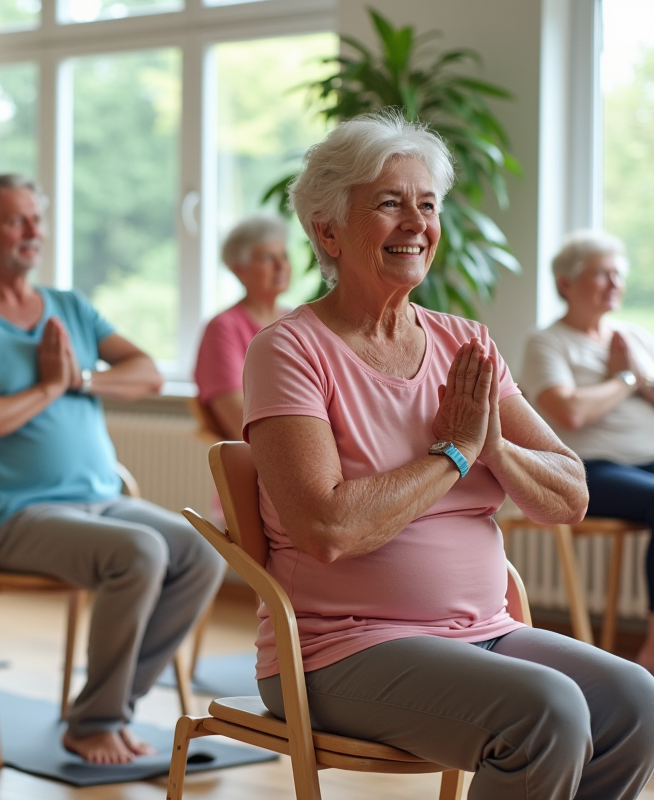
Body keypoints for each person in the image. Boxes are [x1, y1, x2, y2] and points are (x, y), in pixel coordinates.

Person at [242, 111, 654, 797]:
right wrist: (457, 454)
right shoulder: (289, 350)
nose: (416, 223)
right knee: (546, 712)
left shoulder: (466, 343)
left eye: (426, 205)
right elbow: (326, 529)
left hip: (484, 629)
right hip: (338, 650)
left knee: (634, 699)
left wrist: (494, 446)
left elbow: (571, 494)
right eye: (389, 203)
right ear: (328, 231)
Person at [0, 174, 226, 765]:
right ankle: (95, 722)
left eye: (37, 218)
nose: (34, 231)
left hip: (102, 500)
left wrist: (78, 380)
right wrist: (49, 386)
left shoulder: (69, 308)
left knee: (204, 551)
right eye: (17, 221)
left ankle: (109, 704)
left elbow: (146, 374)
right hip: (15, 516)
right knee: (138, 553)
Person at [521, 231, 654, 674]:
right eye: (602, 273)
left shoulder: (632, 337)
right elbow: (569, 411)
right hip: (588, 470)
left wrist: (637, 373)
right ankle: (652, 652)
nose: (614, 283)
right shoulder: (549, 342)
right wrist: (627, 381)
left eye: (618, 273)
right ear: (567, 283)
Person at [194, 214, 293, 439]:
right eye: (268, 258)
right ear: (239, 269)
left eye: (284, 256)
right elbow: (239, 421)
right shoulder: (222, 328)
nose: (280, 266)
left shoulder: (298, 320)